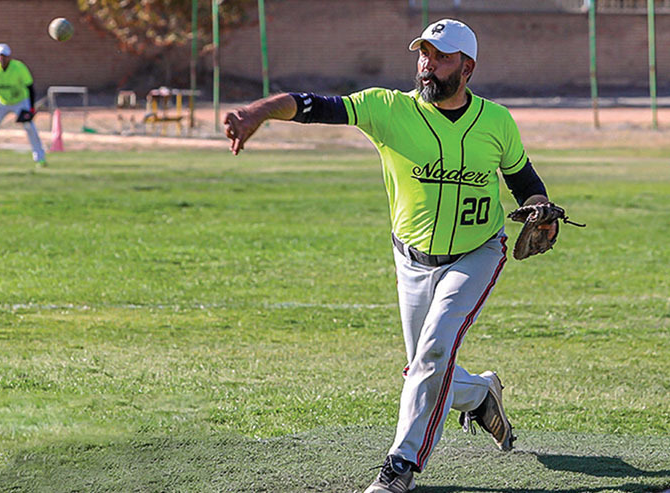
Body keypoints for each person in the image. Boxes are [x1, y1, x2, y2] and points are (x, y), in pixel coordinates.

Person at [223, 19, 555, 493]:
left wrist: (540, 206)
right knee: (422, 365)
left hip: (477, 253)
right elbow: (314, 106)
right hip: (412, 259)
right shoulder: (387, 109)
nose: (427, 64)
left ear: (467, 67)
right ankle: (480, 393)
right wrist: (259, 111)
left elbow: (524, 182)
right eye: (423, 53)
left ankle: (399, 468)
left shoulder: (496, 121)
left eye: (440, 56)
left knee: (434, 351)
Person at [0, 43, 46, 168]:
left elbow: (30, 87)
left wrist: (31, 109)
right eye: (0, 56)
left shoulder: (19, 67)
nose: (2, 59)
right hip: (1, 101)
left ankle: (40, 159)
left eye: (5, 56)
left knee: (30, 127)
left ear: (9, 57)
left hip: (20, 100)